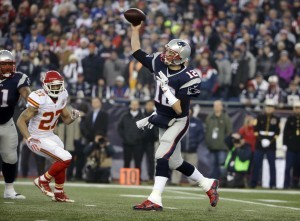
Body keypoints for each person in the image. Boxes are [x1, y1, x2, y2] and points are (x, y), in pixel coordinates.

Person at [131, 23, 219, 211]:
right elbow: (137, 51)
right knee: (175, 162)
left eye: (172, 53)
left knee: (161, 155)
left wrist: (165, 89)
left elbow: (179, 109)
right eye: (167, 51)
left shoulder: (189, 76)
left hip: (179, 120)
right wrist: (135, 29)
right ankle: (207, 184)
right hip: (162, 117)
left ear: (181, 58)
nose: (166, 55)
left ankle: (155, 198)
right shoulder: (159, 62)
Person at [17, 70, 81, 202]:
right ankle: (42, 180)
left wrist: (73, 117)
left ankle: (59, 193)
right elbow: (20, 121)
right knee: (66, 157)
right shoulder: (39, 97)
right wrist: (29, 138)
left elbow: (66, 119)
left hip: (49, 135)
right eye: (54, 86)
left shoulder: (62, 95)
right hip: (36, 137)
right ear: (45, 86)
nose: (57, 88)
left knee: (61, 158)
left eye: (59, 85)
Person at [0, 50, 31, 199]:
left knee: (11, 157)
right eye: (3, 64)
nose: (7, 68)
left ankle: (9, 190)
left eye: (9, 64)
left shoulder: (18, 78)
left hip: (7, 122)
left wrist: (31, 99)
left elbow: (26, 92)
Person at [251, 99, 280, 189]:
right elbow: (255, 130)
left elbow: (277, 132)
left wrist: (269, 141)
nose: (269, 108)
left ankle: (273, 184)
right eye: (267, 106)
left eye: (271, 107)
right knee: (256, 164)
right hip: (260, 144)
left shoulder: (276, 119)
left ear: (274, 109)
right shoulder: (259, 117)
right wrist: (261, 140)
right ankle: (253, 183)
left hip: (271, 145)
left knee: (272, 165)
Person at [171, 108, 204, 185]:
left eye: (190, 110)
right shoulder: (178, 121)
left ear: (192, 111)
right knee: (177, 165)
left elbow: (201, 135)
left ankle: (193, 182)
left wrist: (196, 144)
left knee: (193, 167)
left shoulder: (197, 122)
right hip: (180, 149)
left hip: (192, 149)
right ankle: (174, 181)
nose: (188, 111)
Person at [205, 100, 232, 180]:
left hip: (222, 146)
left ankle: (223, 181)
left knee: (222, 165)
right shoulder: (209, 117)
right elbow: (207, 130)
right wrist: (208, 141)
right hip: (212, 146)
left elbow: (229, 131)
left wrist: (224, 142)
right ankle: (212, 182)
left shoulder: (225, 117)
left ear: (221, 107)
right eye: (214, 105)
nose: (216, 107)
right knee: (212, 166)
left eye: (217, 105)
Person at [118, 100, 144, 173]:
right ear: (130, 105)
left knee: (138, 162)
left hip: (138, 143)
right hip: (127, 143)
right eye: (133, 104)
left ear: (138, 106)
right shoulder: (124, 116)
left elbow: (145, 129)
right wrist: (124, 136)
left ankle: (138, 179)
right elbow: (119, 128)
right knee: (126, 161)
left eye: (136, 104)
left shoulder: (142, 117)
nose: (134, 106)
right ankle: (126, 179)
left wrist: (139, 137)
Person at [283, 101, 300, 189]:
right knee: (288, 166)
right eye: (296, 108)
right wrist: (284, 144)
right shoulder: (290, 119)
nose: (297, 110)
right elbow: (285, 132)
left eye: (298, 108)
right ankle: (286, 184)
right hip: (291, 147)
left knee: (298, 167)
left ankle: (295, 184)